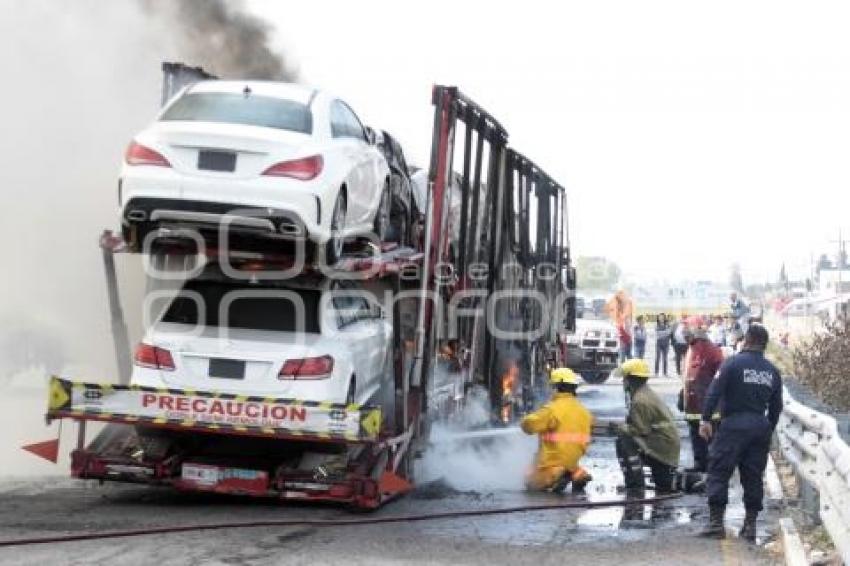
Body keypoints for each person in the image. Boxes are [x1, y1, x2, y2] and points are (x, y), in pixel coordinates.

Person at [699, 325, 783, 542]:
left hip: (733, 425)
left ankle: (716, 523)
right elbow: (776, 407)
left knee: (719, 470)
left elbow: (714, 392)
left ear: (747, 340)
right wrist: (767, 428)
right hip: (759, 426)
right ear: (764, 344)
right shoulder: (772, 371)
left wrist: (705, 419)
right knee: (753, 476)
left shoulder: (732, 364)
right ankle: (750, 525)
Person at [612, 359, 681, 492]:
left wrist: (620, 427)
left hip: (661, 448)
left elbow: (640, 430)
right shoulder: (645, 393)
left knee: (624, 441)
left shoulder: (639, 400)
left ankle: (635, 484)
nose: (623, 382)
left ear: (631, 380)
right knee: (664, 484)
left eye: (624, 379)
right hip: (665, 446)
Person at [521, 367, 593, 493]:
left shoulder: (552, 410)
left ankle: (556, 473)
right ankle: (578, 473)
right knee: (562, 462)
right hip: (572, 459)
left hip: (554, 460)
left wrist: (523, 421)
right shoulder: (584, 412)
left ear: (556, 387)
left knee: (530, 482)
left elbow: (529, 426)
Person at [681, 328, 723, 472]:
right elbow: (689, 378)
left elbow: (696, 377)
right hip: (697, 405)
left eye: (687, 335)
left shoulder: (706, 350)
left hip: (706, 405)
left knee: (707, 437)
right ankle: (705, 466)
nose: (685, 338)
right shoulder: (695, 349)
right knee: (700, 437)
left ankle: (709, 467)